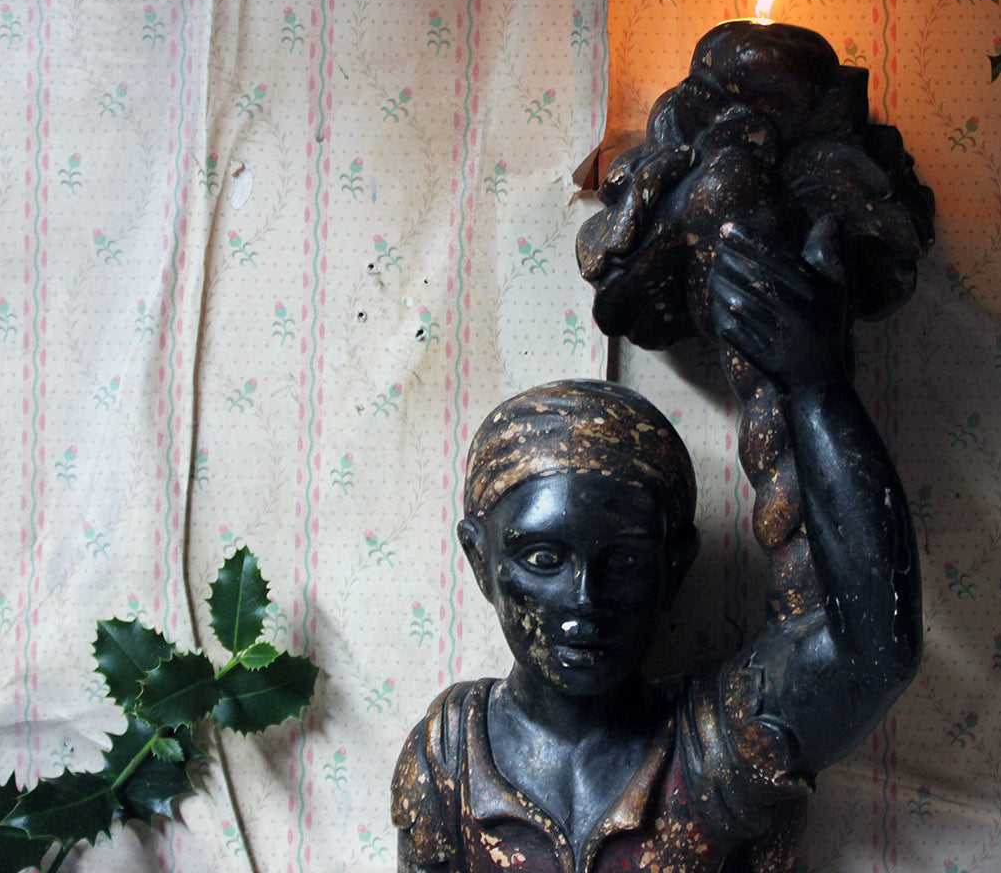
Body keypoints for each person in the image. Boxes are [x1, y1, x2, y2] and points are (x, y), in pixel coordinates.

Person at [390, 224, 923, 871]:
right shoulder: (449, 760)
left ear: (674, 568)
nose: (584, 599)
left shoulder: (715, 744)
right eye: (543, 560)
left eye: (624, 561)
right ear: (481, 562)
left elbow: (873, 655)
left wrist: (817, 389)